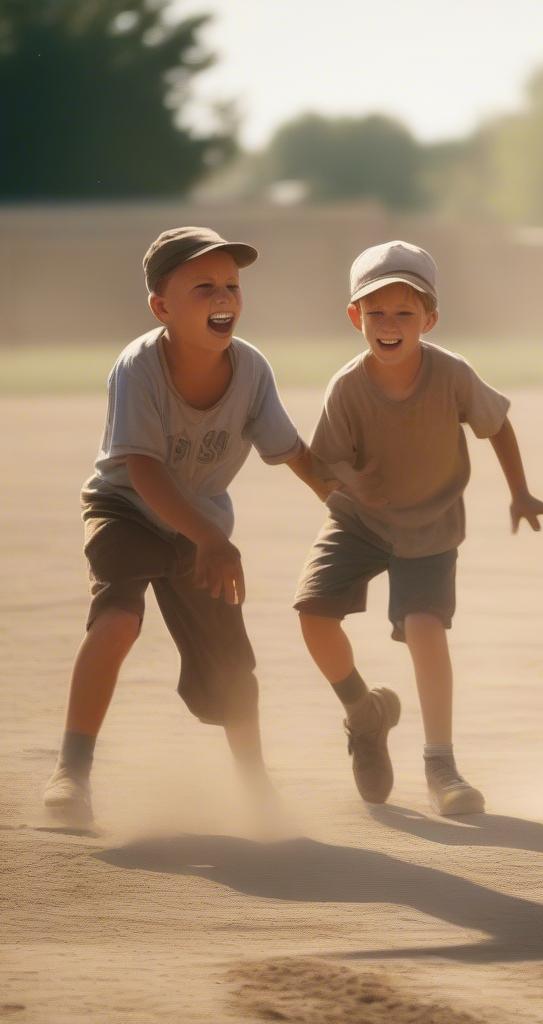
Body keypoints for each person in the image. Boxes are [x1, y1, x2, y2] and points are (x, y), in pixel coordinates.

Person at [43, 226, 327, 827]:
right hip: (124, 508)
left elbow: (292, 450)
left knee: (232, 667)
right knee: (119, 617)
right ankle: (72, 771)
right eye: (204, 287)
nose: (224, 297)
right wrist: (211, 539)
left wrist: (344, 502)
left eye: (231, 285)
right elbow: (141, 468)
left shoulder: (250, 370)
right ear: (161, 307)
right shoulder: (138, 367)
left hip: (200, 525)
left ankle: (256, 790)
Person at [295, 240, 543, 816]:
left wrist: (520, 494)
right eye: (375, 313)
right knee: (314, 614)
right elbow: (325, 466)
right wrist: (350, 488)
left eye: (403, 313)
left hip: (430, 524)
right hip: (360, 521)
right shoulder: (346, 387)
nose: (388, 325)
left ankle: (441, 764)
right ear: (354, 318)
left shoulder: (452, 374)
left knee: (424, 628)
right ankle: (363, 713)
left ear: (430, 319)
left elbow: (498, 426)